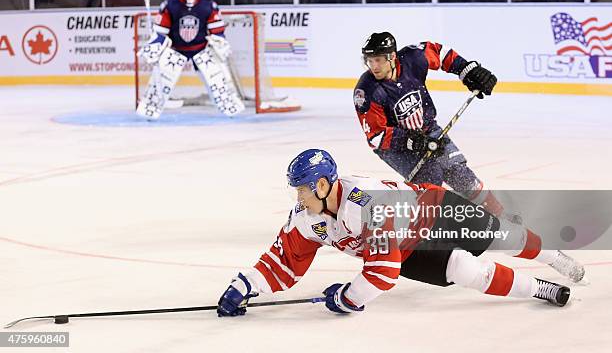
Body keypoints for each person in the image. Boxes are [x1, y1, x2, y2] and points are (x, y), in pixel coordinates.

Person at [217, 149, 585, 316]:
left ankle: (555, 257)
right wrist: (247, 284)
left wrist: (349, 298)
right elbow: (284, 260)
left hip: (436, 210)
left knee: (508, 238)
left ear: (325, 185)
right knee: (466, 271)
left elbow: (382, 270)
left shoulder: (366, 202)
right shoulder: (306, 217)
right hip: (406, 247)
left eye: (303, 189)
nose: (298, 197)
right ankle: (540, 289)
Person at [353, 32, 519, 222]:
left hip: (428, 128)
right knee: (431, 179)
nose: (373, 66)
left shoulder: (412, 58)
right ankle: (433, 230)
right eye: (370, 61)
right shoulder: (367, 90)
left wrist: (466, 69)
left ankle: (499, 215)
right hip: (396, 147)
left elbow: (440, 53)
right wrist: (409, 141)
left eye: (378, 60)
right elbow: (376, 137)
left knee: (460, 173)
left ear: (392, 56)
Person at [137, 0, 244, 120]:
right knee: (161, 80)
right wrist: (155, 46)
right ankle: (150, 108)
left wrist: (220, 43)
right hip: (176, 50)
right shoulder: (171, 3)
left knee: (218, 79)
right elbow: (161, 31)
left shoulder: (208, 4)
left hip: (201, 49)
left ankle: (230, 106)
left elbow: (217, 30)